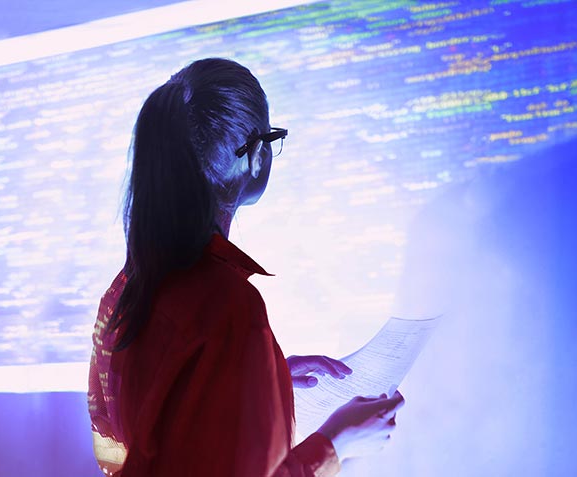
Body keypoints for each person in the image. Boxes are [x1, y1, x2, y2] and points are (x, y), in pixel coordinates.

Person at [87, 58, 405, 477]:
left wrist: (260, 381)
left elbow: (141, 439)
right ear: (256, 157)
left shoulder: (124, 291)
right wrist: (336, 444)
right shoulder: (227, 305)